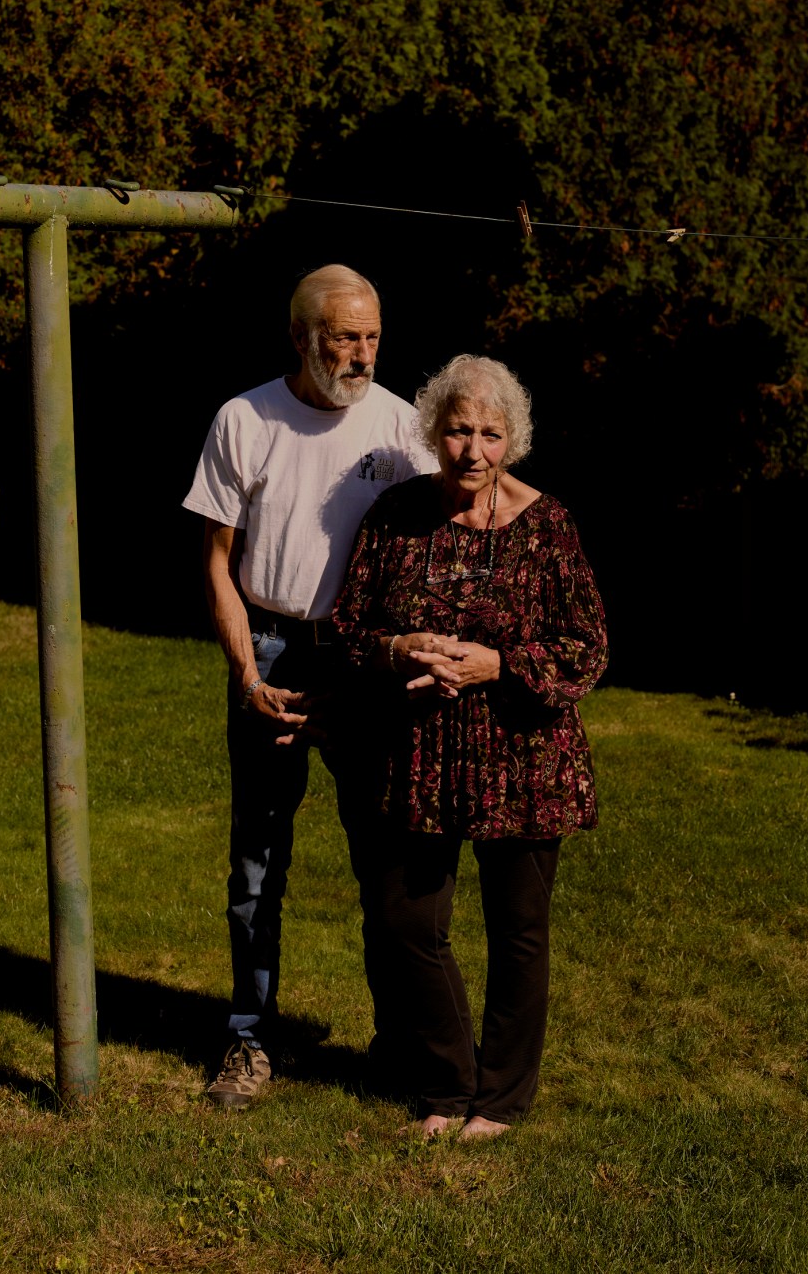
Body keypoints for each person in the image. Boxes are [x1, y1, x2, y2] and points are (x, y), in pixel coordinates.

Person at [332, 354, 607, 1140]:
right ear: (432, 431)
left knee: (518, 930)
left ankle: (502, 1099)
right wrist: (399, 649)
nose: (473, 450)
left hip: (522, 756)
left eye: (490, 433)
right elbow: (350, 631)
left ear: (511, 439)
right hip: (414, 755)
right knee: (405, 922)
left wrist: (500, 664)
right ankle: (447, 1081)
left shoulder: (547, 523)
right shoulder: (392, 515)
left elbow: (586, 646)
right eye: (457, 430)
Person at [183, 264, 428, 1108]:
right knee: (256, 859)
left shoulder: (403, 429)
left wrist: (386, 664)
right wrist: (247, 673)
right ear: (299, 338)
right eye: (341, 338)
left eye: (370, 338)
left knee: (384, 859)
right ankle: (248, 1041)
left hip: (364, 661)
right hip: (274, 647)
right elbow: (214, 562)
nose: (358, 355)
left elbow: (431, 560)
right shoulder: (244, 419)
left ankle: (396, 1047)